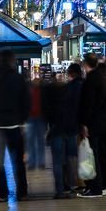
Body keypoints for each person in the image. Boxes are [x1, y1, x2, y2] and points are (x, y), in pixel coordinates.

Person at [0, 50, 30, 202]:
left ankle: (1, 192)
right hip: (15, 125)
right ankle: (22, 191)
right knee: (18, 161)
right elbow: (26, 101)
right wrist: (22, 120)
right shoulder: (18, 79)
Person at [78, 54, 106, 198]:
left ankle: (96, 187)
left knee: (93, 155)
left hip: (94, 124)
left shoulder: (90, 82)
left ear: (85, 64)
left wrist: (84, 123)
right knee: (105, 155)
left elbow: (88, 105)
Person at [44, 62, 83, 199]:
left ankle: (60, 189)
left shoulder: (51, 103)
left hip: (57, 131)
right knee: (70, 158)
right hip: (71, 130)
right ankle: (70, 185)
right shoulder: (70, 93)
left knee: (57, 162)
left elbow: (48, 116)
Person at [26, 79, 46, 170]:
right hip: (33, 117)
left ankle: (36, 162)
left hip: (37, 117)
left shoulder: (37, 91)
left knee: (36, 141)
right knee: (34, 141)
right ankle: (34, 162)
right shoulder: (33, 90)